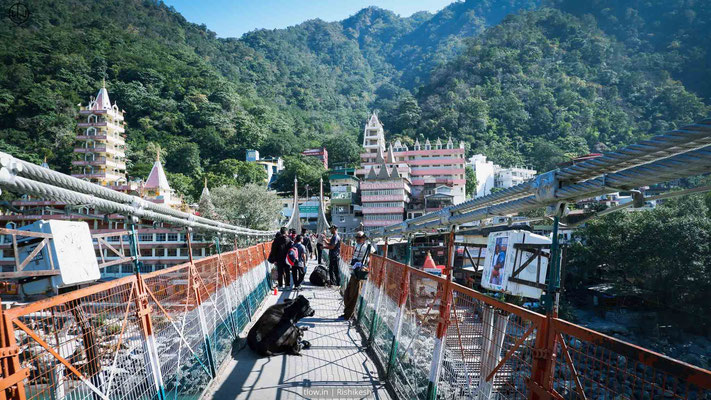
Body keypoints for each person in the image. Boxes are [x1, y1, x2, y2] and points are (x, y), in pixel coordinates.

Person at [342, 231, 374, 320]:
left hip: (359, 273)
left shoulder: (366, 247)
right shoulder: (357, 245)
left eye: (359, 238)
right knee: (348, 292)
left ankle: (348, 314)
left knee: (354, 294)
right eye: (357, 238)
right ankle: (347, 312)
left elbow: (370, 257)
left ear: (364, 238)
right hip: (354, 271)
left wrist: (364, 266)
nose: (357, 239)